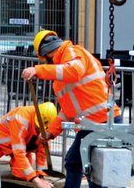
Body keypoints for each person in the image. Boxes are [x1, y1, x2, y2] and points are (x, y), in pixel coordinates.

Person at [20, 30, 119, 188]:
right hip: (92, 124)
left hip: (102, 121)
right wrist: (50, 132)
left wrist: (38, 70)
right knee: (74, 163)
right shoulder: (60, 77)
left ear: (45, 54)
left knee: (94, 168)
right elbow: (67, 110)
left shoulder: (72, 52)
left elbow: (74, 71)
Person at [0, 102, 64, 188]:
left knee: (24, 174)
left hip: (21, 147)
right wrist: (35, 180)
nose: (38, 129)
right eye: (37, 127)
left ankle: (15, 165)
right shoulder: (21, 119)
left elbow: (42, 153)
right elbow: (19, 152)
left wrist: (40, 176)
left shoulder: (47, 129)